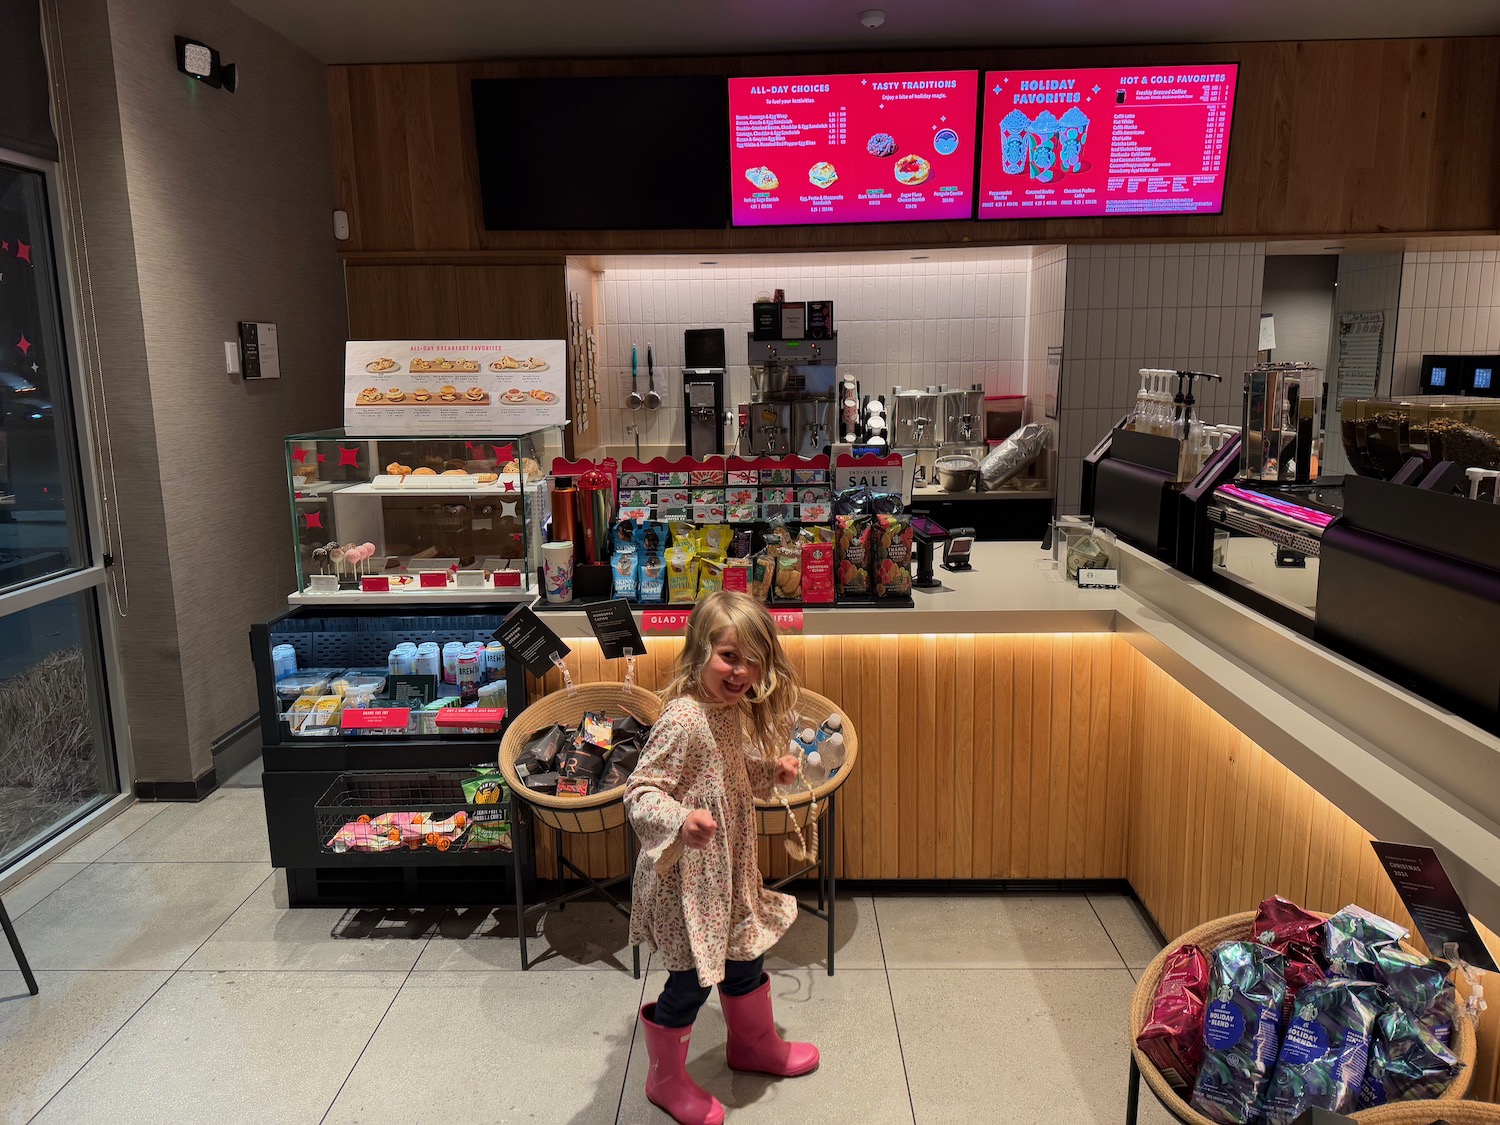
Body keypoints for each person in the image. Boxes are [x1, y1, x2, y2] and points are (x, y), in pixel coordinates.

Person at [626, 590, 819, 1125]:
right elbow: (640, 791)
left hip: (728, 872)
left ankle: (752, 1046)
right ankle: (664, 1079)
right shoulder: (683, 719)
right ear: (698, 652)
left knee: (745, 953)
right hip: (688, 879)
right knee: (689, 980)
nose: (742, 672)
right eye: (729, 656)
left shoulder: (727, 711)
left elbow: (725, 777)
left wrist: (767, 772)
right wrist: (679, 821)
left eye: (753, 659)